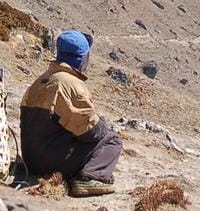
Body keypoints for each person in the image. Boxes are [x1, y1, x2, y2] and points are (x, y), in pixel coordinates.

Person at [19, 29, 122, 196]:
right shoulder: (71, 84)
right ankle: (90, 178)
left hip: (32, 162)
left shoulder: (42, 79)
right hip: (50, 163)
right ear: (82, 58)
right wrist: (102, 124)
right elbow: (91, 133)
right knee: (112, 140)